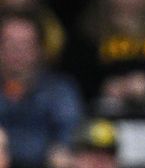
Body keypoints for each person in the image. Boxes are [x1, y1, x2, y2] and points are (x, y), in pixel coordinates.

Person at [0, 10, 84, 168]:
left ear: (39, 49)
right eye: (9, 43)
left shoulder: (60, 91)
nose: (17, 52)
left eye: (25, 44)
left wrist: (61, 151)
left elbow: (70, 135)